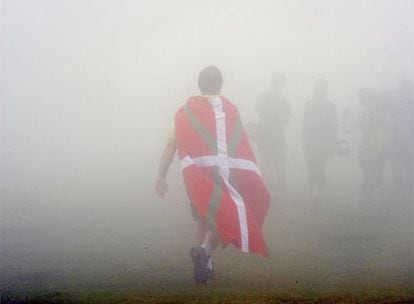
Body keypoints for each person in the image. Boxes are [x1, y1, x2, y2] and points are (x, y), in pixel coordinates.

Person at [155, 66, 270, 284]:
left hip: (198, 177)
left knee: (203, 218)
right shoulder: (230, 110)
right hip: (226, 174)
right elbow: (238, 141)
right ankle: (206, 252)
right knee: (225, 215)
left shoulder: (185, 113)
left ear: (200, 85)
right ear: (220, 85)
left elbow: (171, 145)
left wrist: (161, 175)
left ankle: (204, 262)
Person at [345, 88, 388, 205]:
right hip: (367, 150)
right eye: (363, 97)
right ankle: (368, 201)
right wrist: (346, 119)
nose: (365, 100)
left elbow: (387, 128)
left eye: (368, 97)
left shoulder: (380, 113)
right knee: (370, 175)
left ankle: (373, 201)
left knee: (377, 175)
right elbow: (349, 129)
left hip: (379, 148)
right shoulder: (364, 114)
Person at [255, 73, 290, 200]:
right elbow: (286, 119)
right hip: (271, 137)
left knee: (273, 167)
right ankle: (271, 195)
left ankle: (274, 195)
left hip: (271, 137)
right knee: (271, 166)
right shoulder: (282, 101)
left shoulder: (265, 98)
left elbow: (259, 112)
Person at [302, 79, 338, 202]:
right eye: (317, 87)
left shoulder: (329, 106)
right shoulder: (309, 105)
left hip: (322, 143)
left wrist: (333, 143)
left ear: (325, 89)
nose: (318, 90)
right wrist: (304, 142)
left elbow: (334, 126)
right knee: (311, 167)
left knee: (320, 168)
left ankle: (319, 193)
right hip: (310, 143)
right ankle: (314, 191)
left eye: (321, 87)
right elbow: (305, 125)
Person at [387, 79, 414, 203]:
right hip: (397, 140)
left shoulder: (400, 104)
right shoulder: (395, 105)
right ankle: (400, 192)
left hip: (407, 141)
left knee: (407, 167)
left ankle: (404, 192)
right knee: (399, 167)